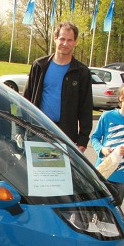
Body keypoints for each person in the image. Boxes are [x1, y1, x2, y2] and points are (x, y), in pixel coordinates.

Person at [23, 21, 93, 151]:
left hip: (65, 136)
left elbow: (86, 109)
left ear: (75, 42)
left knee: (60, 171)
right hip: (38, 131)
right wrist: (21, 128)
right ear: (55, 39)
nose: (65, 44)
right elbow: (25, 100)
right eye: (62, 39)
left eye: (70, 40)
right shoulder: (39, 66)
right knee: (36, 171)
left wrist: (82, 141)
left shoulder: (82, 72)